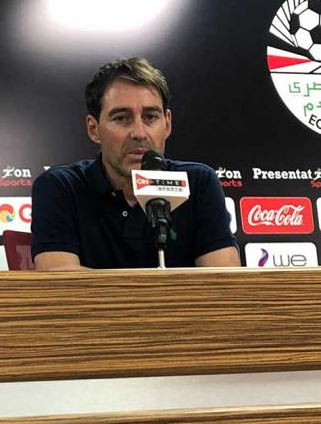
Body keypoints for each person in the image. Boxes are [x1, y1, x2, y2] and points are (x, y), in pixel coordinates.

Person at [31, 57, 240, 270]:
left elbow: (224, 281)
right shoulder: (61, 187)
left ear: (167, 124)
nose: (139, 133)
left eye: (150, 117)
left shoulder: (198, 183)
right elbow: (60, 281)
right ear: (94, 129)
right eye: (122, 118)